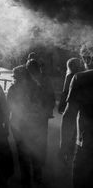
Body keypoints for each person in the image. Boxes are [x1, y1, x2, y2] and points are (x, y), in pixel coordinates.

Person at [60, 44, 93, 188]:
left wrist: (64, 146)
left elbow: (69, 116)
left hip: (87, 147)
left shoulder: (81, 78)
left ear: (88, 58)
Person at [7, 65, 41, 188]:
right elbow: (40, 106)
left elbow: (8, 106)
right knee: (34, 150)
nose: (13, 77)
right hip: (33, 123)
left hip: (18, 125)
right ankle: (37, 177)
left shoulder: (14, 88)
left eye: (15, 75)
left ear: (19, 75)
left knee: (22, 153)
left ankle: (26, 181)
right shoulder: (36, 86)